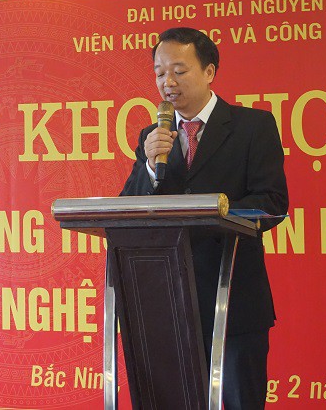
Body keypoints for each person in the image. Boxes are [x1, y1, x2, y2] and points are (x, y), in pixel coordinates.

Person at [120, 27, 289, 410]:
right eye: (160, 73)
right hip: (168, 301)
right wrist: (149, 167)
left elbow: (273, 203)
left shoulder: (253, 127)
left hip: (233, 298)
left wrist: (215, 213)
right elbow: (127, 208)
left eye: (179, 71)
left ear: (209, 71)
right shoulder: (153, 136)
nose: (168, 82)